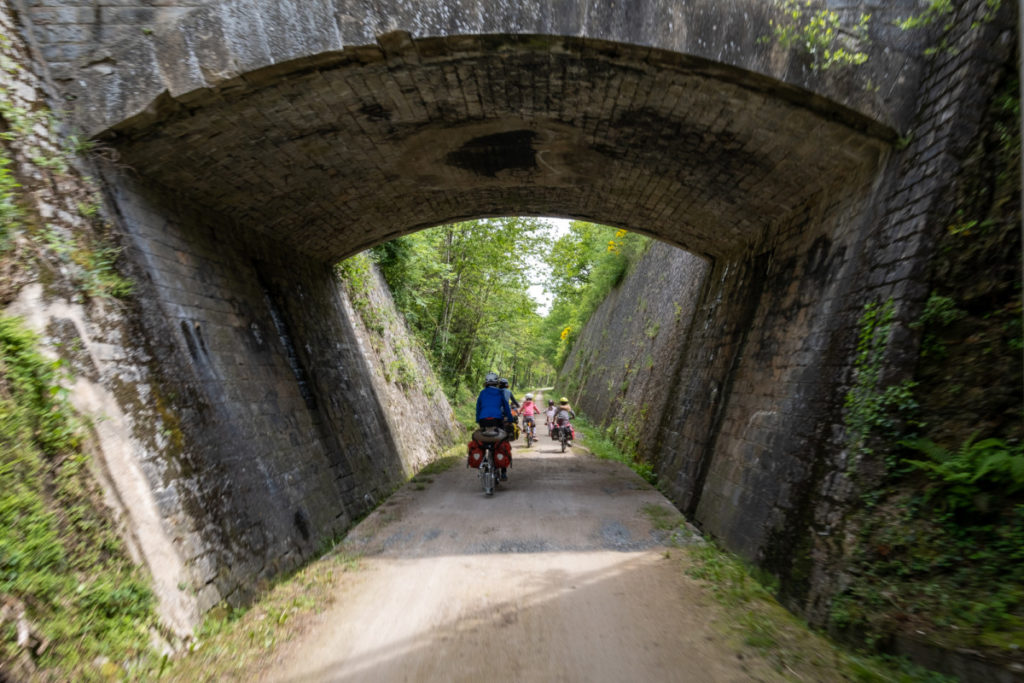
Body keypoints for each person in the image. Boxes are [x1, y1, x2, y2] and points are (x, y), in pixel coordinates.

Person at [475, 371, 513, 479]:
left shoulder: (482, 393)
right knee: (502, 440)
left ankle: (484, 460)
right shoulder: (500, 392)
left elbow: (478, 408)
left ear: (486, 383)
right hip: (497, 419)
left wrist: (478, 419)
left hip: (483, 420)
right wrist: (509, 419)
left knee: (483, 440)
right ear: (496, 383)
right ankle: (504, 472)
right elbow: (506, 407)